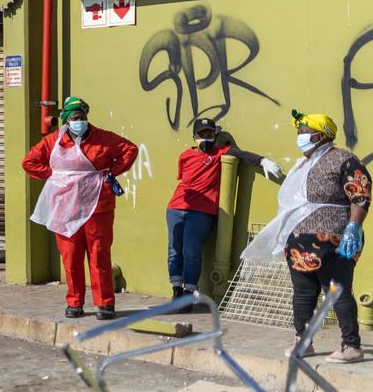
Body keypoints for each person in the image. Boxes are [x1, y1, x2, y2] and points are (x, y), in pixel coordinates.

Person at [241, 111, 369, 364]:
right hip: (298, 241)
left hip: (332, 239)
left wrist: (354, 226)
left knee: (337, 291)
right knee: (303, 293)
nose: (299, 137)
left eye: (303, 132)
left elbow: (360, 193)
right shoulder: (303, 164)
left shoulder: (343, 159)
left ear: (320, 135)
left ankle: (351, 345)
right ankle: (303, 340)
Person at [23, 96, 138, 320]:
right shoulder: (52, 142)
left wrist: (112, 172)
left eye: (83, 117)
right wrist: (54, 176)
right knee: (71, 257)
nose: (80, 121)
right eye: (75, 118)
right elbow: (29, 162)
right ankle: (74, 302)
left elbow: (130, 150)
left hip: (98, 205)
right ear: (66, 120)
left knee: (99, 255)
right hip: (65, 207)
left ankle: (105, 304)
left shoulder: (104, 138)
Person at [165, 117, 281, 311]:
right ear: (194, 136)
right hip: (176, 207)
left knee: (191, 251)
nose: (205, 139)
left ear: (215, 135)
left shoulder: (221, 152)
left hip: (202, 211)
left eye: (209, 134)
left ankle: (188, 293)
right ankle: (176, 289)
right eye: (201, 135)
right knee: (174, 250)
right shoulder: (185, 156)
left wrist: (263, 161)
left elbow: (243, 155)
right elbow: (183, 180)